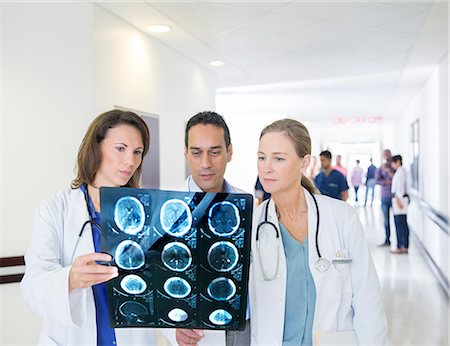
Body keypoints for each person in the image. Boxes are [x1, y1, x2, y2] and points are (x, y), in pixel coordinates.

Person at [21, 110, 156, 345]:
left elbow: (157, 288)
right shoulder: (54, 209)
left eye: (138, 152)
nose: (131, 161)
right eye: (121, 148)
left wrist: (176, 331)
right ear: (96, 147)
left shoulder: (148, 212)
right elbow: (32, 285)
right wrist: (70, 279)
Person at [250, 118, 387, 344]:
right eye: (261, 157)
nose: (267, 167)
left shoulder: (342, 218)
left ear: (304, 163)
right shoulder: (253, 225)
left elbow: (368, 301)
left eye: (279, 158)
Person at [163, 111, 250, 346]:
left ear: (229, 152)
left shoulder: (249, 205)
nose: (206, 163)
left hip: (244, 329)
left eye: (215, 152)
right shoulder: (166, 210)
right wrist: (174, 330)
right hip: (194, 331)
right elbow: (155, 280)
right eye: (196, 152)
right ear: (185, 154)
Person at [390, 155, 410, 254]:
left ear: (398, 162)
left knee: (400, 224)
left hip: (400, 200)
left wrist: (398, 200)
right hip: (400, 200)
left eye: (393, 163)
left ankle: (401, 246)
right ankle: (403, 246)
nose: (392, 165)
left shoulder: (401, 172)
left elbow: (400, 188)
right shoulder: (401, 171)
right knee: (402, 224)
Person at [375, 149, 395, 246]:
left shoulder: (395, 167)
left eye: (388, 154)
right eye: (385, 155)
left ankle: (399, 241)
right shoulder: (381, 168)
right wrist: (385, 182)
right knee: (386, 220)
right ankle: (387, 239)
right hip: (385, 196)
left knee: (397, 219)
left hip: (395, 197)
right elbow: (377, 180)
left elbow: (397, 178)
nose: (387, 156)